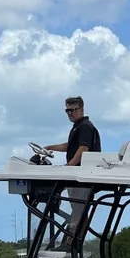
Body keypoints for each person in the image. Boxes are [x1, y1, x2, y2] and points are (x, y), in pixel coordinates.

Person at [44, 96, 101, 248]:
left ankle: (72, 243)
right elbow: (70, 146)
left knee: (78, 210)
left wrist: (68, 167)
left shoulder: (85, 126)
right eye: (67, 110)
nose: (70, 113)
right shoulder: (78, 126)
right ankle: (71, 241)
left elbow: (83, 149)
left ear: (81, 110)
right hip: (76, 175)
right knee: (77, 209)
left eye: (73, 110)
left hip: (81, 177)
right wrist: (50, 147)